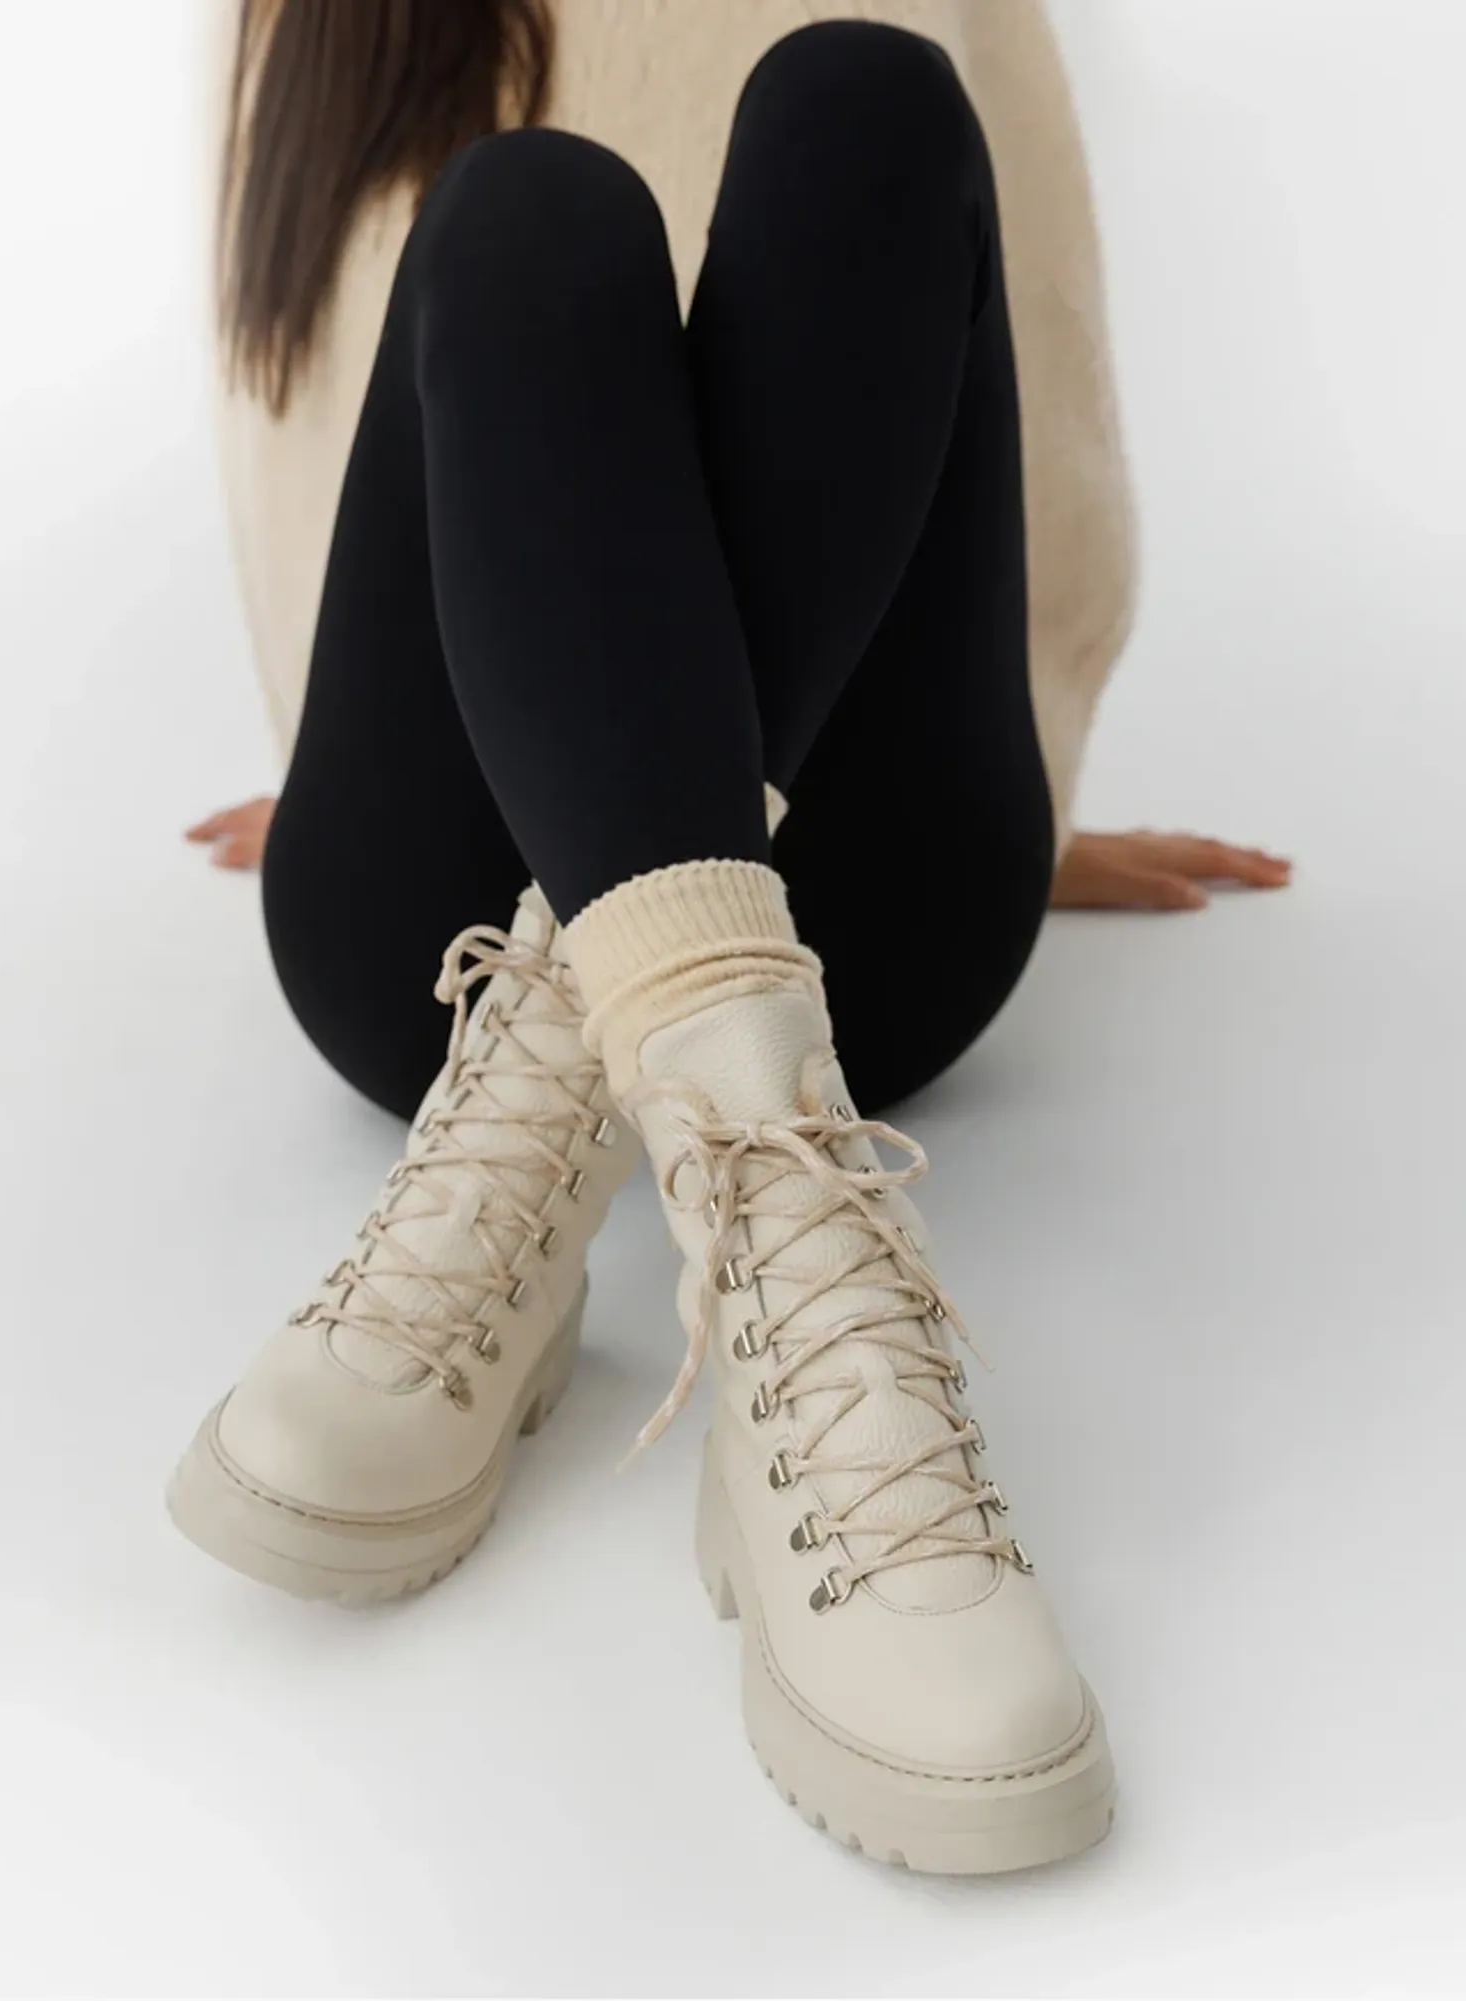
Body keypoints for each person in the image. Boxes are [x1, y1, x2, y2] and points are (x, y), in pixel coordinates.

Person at [170, 0, 1291, 1875]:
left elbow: (1036, 334)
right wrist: (340, 741)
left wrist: (1040, 753)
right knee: (521, 212)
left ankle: (608, 1104)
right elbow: (290, 402)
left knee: (870, 99)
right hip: (447, 902)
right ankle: (744, 1181)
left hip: (857, 874)